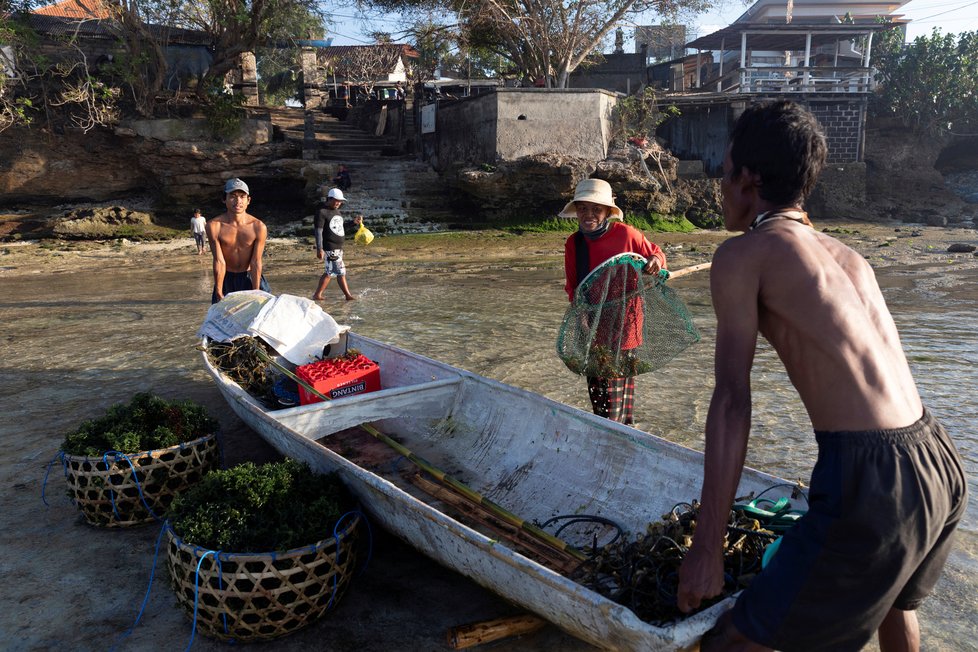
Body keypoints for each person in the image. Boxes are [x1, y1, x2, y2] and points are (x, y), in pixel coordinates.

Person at [676, 101, 967, 651]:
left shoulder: (745, 256)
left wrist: (706, 548)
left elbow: (733, 401)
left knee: (728, 646)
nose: (720, 187)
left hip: (871, 475)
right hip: (938, 459)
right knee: (891, 606)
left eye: (724, 171)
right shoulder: (852, 257)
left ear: (749, 180)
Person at [561, 178, 666, 425]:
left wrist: (655, 262)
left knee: (619, 382)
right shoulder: (574, 244)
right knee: (599, 386)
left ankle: (621, 430)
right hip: (593, 321)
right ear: (576, 211)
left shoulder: (628, 235)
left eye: (596, 209)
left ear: (608, 211)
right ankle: (607, 429)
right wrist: (582, 318)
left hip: (627, 320)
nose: (589, 215)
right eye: (583, 208)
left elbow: (656, 252)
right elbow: (574, 288)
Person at [206, 178, 270, 304]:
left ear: (248, 200)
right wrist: (219, 289)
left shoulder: (258, 227)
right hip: (226, 279)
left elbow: (256, 261)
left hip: (250, 277)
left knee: (260, 320)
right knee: (222, 320)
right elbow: (219, 261)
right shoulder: (214, 226)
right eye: (233, 196)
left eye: (242, 196)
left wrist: (256, 291)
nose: (238, 201)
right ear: (224, 199)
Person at [312, 187, 362, 301]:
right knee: (336, 272)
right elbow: (318, 231)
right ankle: (346, 295)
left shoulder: (337, 211)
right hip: (330, 247)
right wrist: (319, 248)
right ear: (329, 199)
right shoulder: (321, 212)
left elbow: (340, 227)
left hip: (338, 248)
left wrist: (353, 223)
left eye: (340, 201)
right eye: (337, 200)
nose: (339, 203)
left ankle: (320, 295)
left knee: (335, 272)